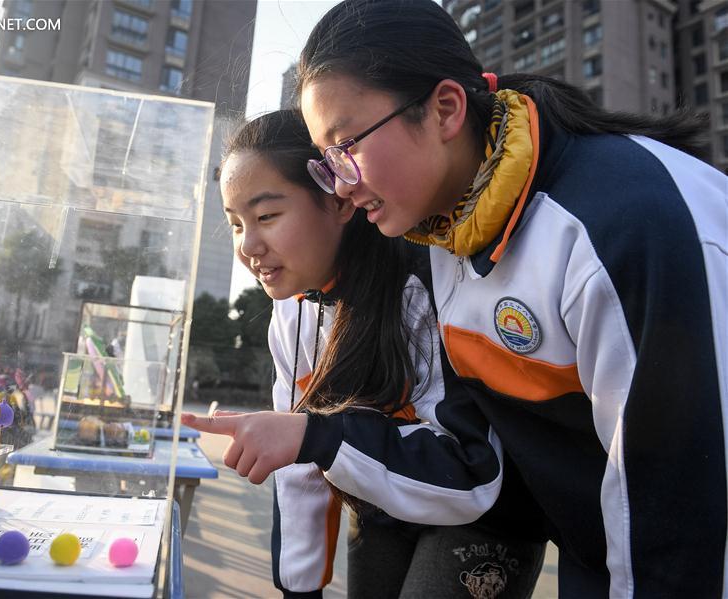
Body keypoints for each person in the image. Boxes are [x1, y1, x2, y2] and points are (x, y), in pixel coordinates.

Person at [185, 1, 728, 597]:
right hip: (593, 551)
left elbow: (679, 504)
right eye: (326, 162)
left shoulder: (621, 226)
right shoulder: (446, 235)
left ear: (445, 109)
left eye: (348, 147)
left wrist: (318, 436)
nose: (343, 183)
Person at [216, 109, 545, 598]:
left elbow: (472, 474)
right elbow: (299, 468)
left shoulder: (424, 283)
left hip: (484, 511)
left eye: (266, 216)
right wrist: (298, 590)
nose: (249, 247)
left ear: (340, 203)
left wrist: (320, 438)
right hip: (382, 496)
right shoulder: (291, 311)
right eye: (236, 224)